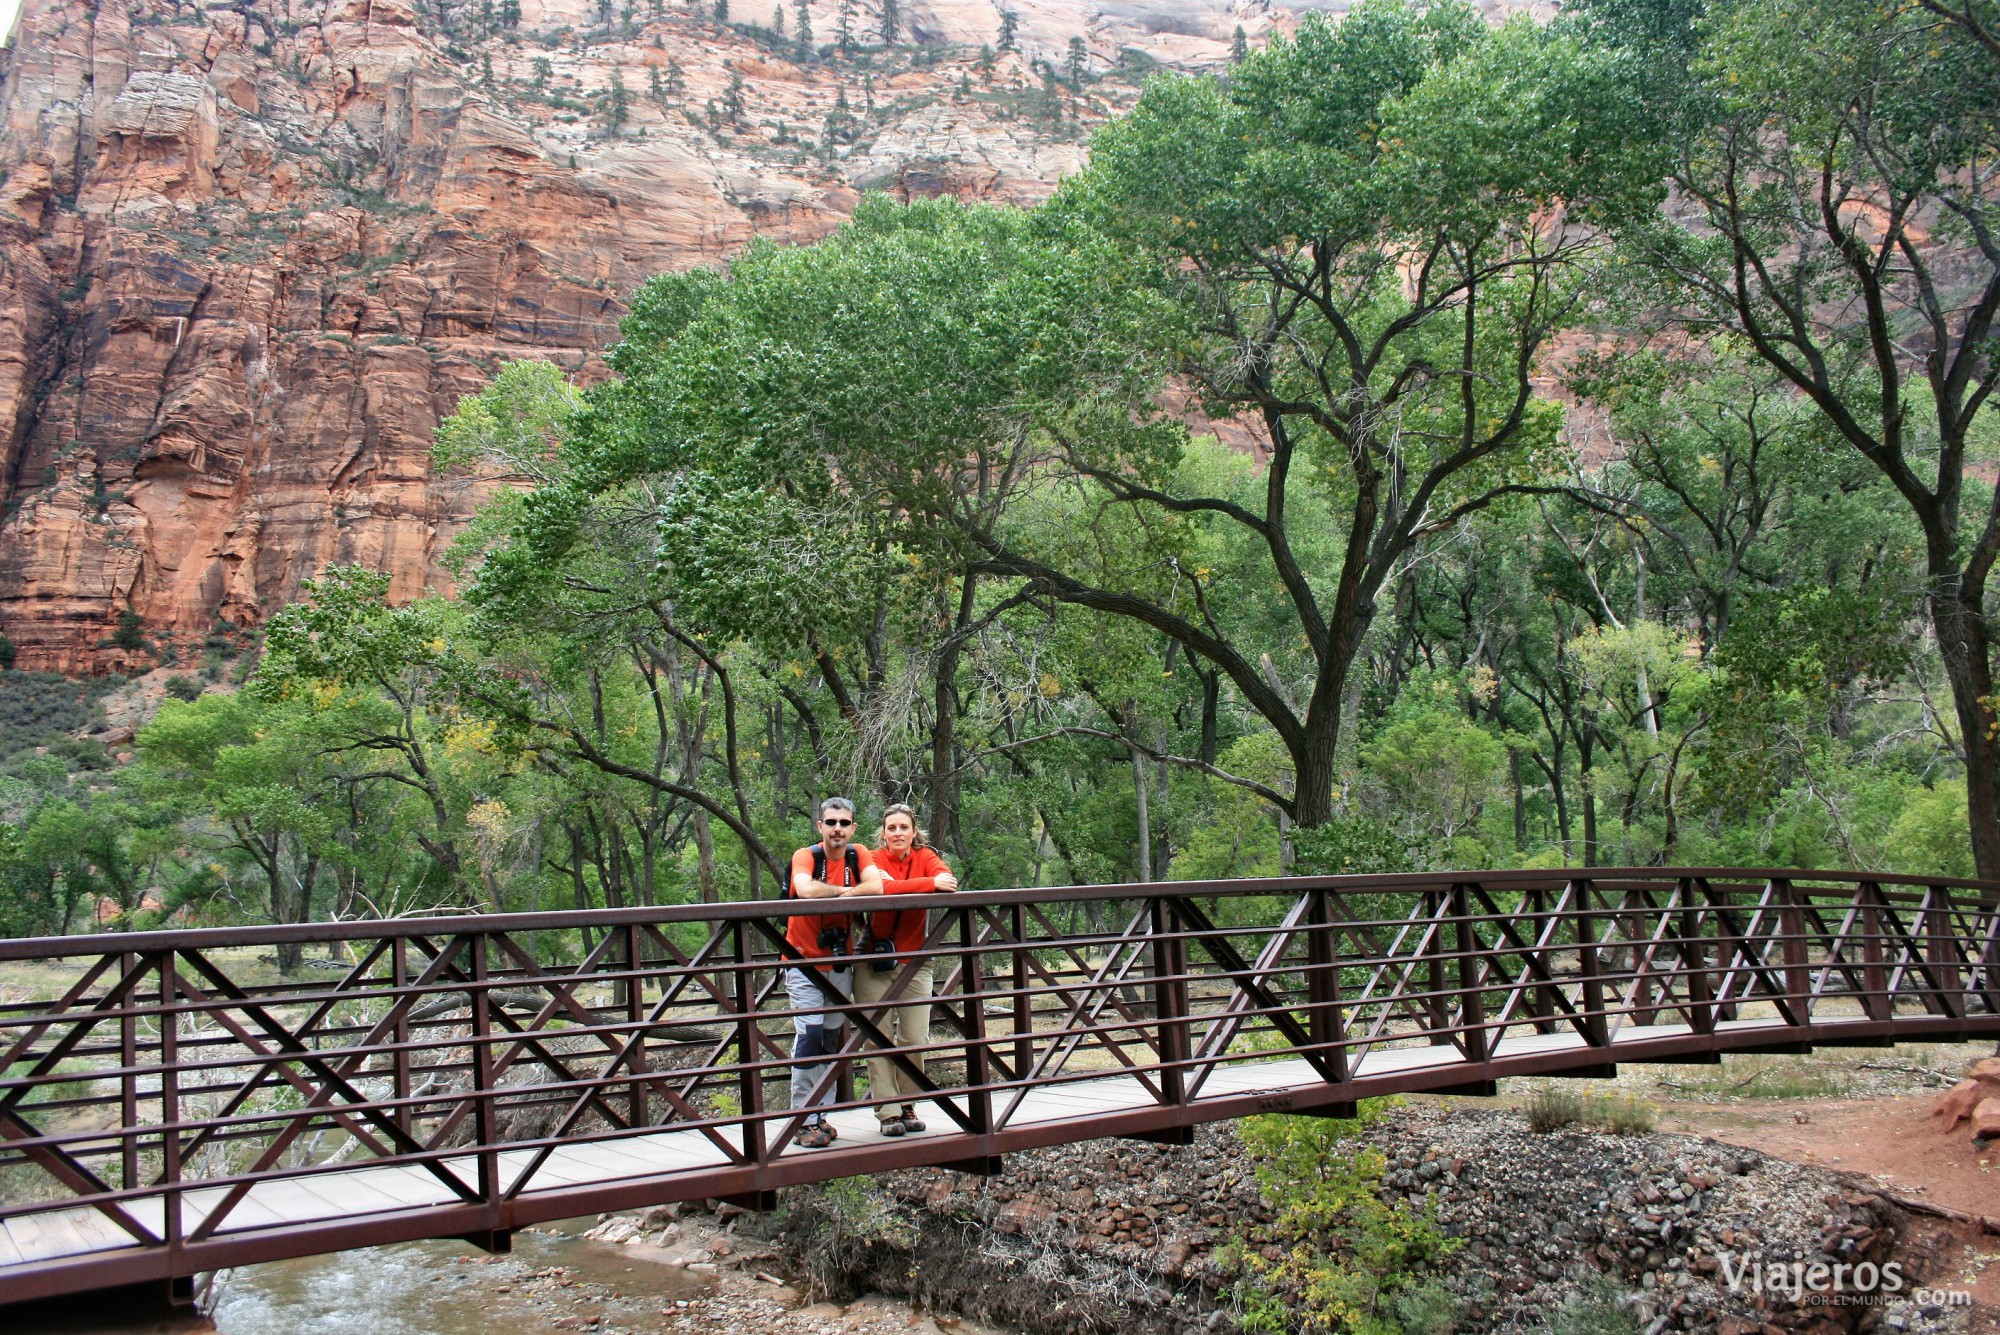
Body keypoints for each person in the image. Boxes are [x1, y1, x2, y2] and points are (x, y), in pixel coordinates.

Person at [847, 802, 957, 1136]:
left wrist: (903, 883)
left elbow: (948, 882)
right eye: (891, 828)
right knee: (878, 1037)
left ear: (913, 832)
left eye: (903, 828)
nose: (897, 833)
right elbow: (878, 889)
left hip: (917, 963)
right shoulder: (872, 858)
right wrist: (926, 884)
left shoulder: (925, 856)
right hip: (873, 961)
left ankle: (909, 1104)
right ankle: (889, 1113)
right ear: (884, 832)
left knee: (914, 1038)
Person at [786, 795, 872, 1148]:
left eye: (844, 823)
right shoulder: (805, 856)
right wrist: (847, 893)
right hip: (802, 963)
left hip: (839, 964)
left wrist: (839, 894)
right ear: (820, 826)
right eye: (831, 822)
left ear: (853, 827)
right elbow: (805, 890)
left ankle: (821, 1115)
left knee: (830, 1039)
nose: (838, 829)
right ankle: (802, 1119)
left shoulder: (857, 854)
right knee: (809, 1036)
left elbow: (877, 887)